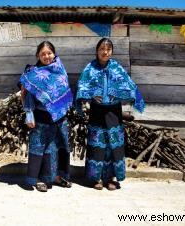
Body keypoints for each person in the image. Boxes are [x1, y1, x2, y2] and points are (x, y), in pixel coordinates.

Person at [76, 38, 145, 190]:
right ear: (97, 51)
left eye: (108, 49)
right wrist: (92, 94)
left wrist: (118, 94)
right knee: (97, 144)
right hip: (97, 111)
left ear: (112, 51)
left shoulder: (117, 68)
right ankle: (96, 178)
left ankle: (110, 178)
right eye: (102, 48)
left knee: (113, 144)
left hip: (114, 112)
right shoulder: (90, 68)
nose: (105, 52)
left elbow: (130, 87)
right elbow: (81, 87)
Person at [18, 41, 73, 192]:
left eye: (49, 53)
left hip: (59, 117)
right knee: (39, 149)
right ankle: (38, 178)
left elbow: (65, 90)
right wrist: (29, 114)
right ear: (38, 55)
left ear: (54, 53)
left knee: (56, 148)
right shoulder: (32, 73)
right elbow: (25, 94)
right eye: (43, 54)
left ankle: (55, 177)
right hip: (40, 116)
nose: (46, 56)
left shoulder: (60, 69)